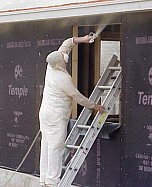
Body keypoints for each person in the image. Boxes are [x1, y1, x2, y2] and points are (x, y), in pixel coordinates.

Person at [39, 34, 105, 187]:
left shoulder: (51, 66)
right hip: (56, 116)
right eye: (63, 57)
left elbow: (67, 43)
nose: (65, 56)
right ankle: (52, 182)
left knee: (47, 145)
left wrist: (83, 39)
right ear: (60, 62)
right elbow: (78, 97)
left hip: (45, 114)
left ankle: (43, 179)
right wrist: (95, 106)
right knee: (55, 147)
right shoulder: (63, 79)